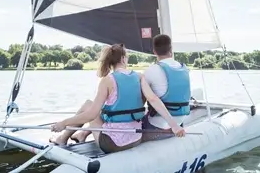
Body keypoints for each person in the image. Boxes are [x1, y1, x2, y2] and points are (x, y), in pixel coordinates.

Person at [50, 43, 185, 153]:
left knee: (88, 105)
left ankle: (62, 138)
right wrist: (174, 125)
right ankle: (80, 135)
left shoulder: (107, 80)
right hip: (135, 138)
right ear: (122, 59)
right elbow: (154, 99)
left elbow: (91, 114)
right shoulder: (139, 76)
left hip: (112, 143)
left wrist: (63, 123)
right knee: (102, 110)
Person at [141, 34, 192, 142]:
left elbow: (142, 100)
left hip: (158, 125)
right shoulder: (184, 68)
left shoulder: (151, 71)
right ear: (171, 49)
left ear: (154, 51)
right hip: (180, 120)